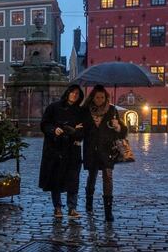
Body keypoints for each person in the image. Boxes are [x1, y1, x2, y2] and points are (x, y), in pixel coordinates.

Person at [81, 85, 127, 222]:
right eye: (97, 97)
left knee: (108, 177)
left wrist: (117, 126)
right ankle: (89, 201)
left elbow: (122, 131)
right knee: (92, 175)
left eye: (102, 97)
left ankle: (108, 211)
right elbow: (83, 128)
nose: (99, 100)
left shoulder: (112, 110)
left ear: (106, 97)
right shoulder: (86, 110)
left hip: (107, 149)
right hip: (91, 148)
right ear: (92, 98)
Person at [39, 84, 85, 219]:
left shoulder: (80, 112)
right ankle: (57, 208)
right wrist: (54, 129)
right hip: (56, 149)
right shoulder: (54, 107)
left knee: (73, 179)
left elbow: (82, 130)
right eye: (72, 92)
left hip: (73, 150)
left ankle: (72, 208)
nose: (74, 95)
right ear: (68, 93)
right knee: (56, 179)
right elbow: (44, 124)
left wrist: (70, 130)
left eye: (77, 94)